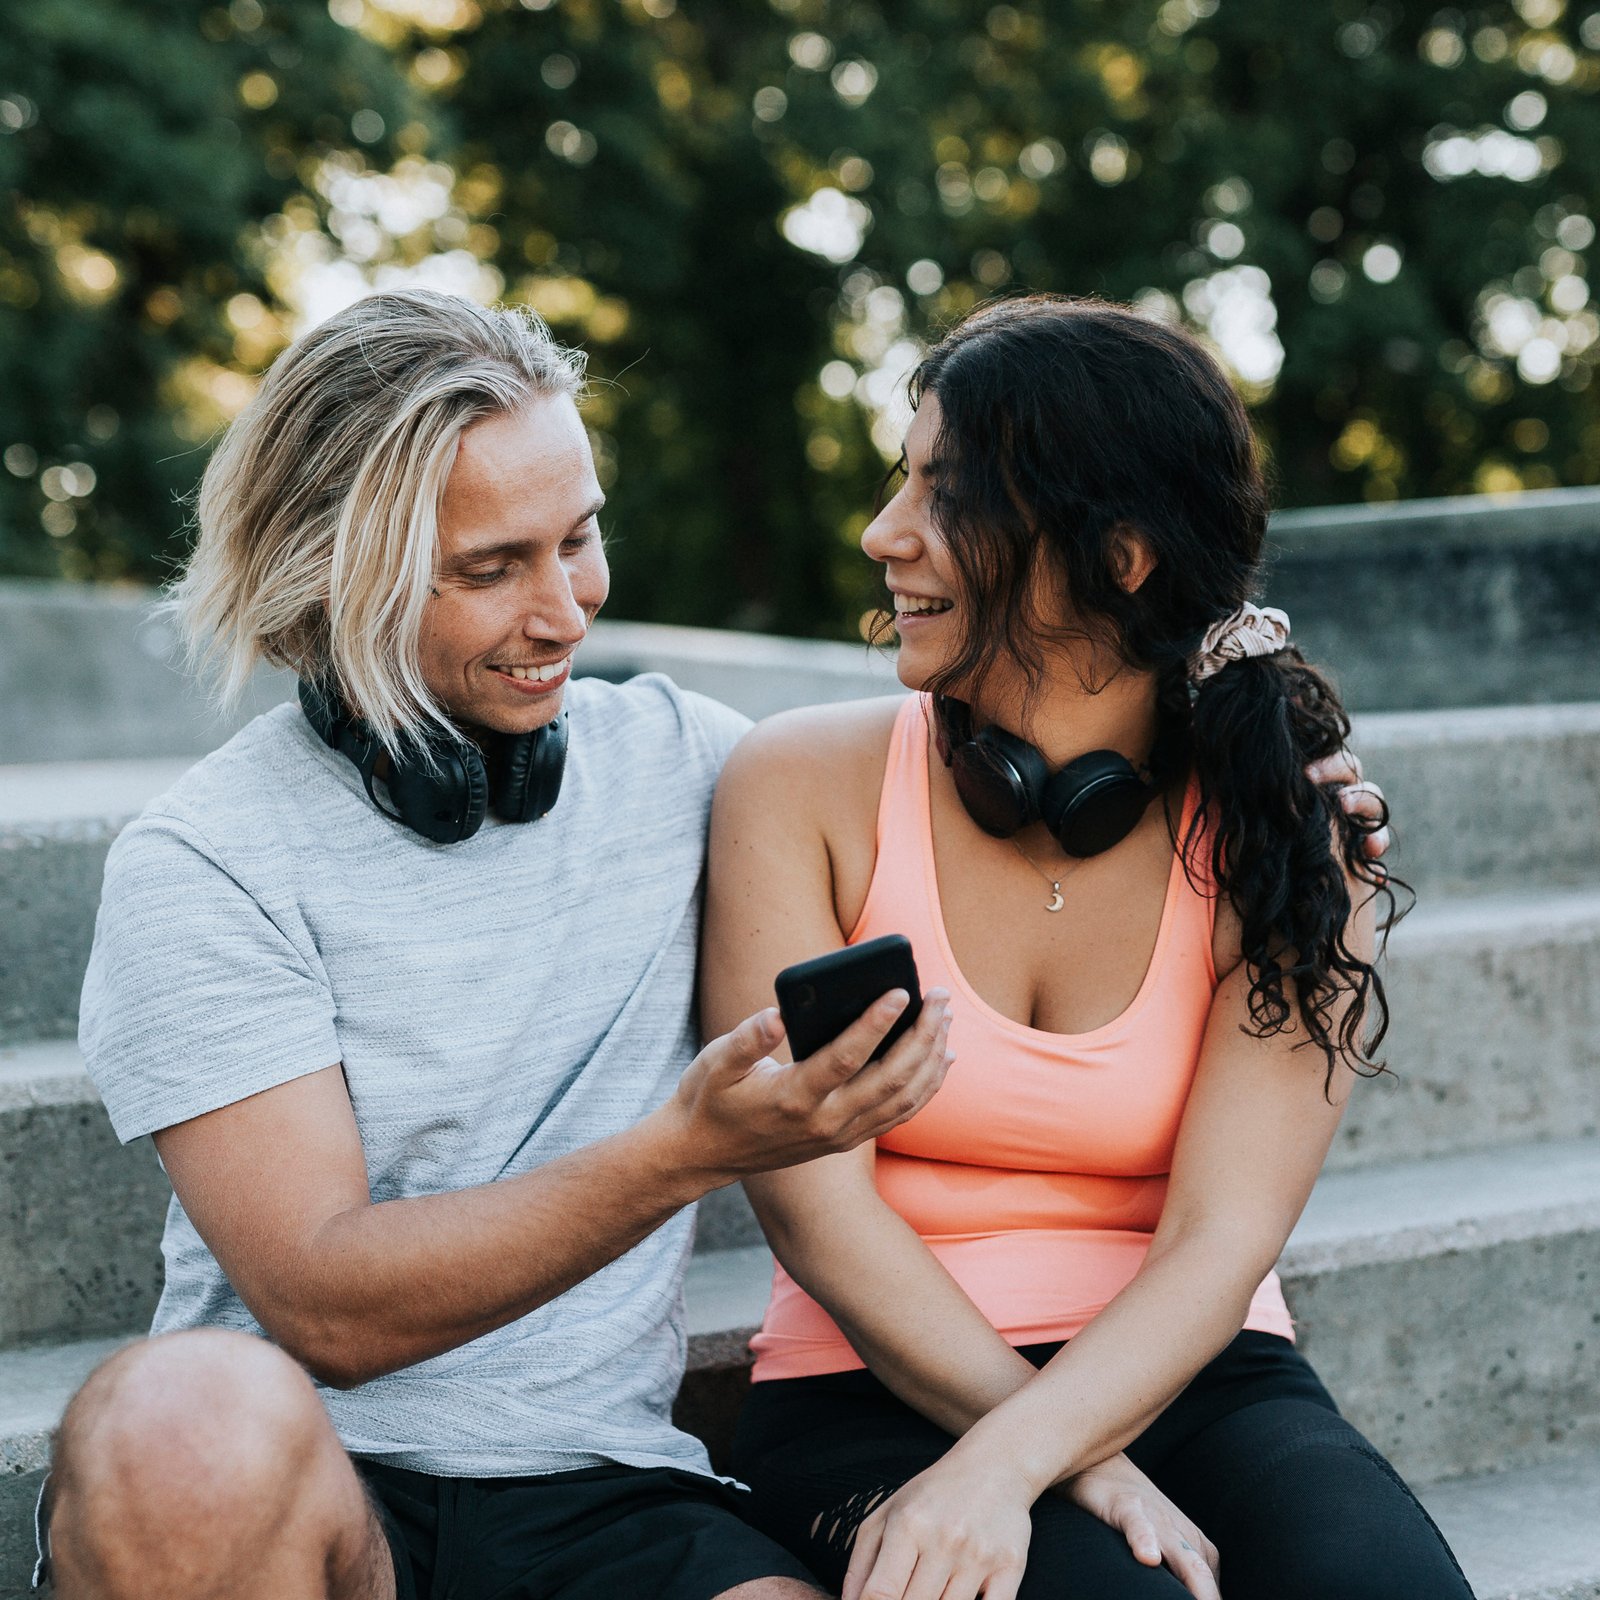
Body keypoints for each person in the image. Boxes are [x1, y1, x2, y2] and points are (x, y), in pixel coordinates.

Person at [39, 289, 961, 1600]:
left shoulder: (691, 761)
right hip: (316, 1483)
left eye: (577, 540)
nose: (565, 611)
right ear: (332, 573)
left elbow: (1022, 758)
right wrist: (690, 1151)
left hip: (606, 1500)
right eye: (491, 570)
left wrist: (1268, 761)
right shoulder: (204, 862)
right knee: (175, 1421)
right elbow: (327, 1304)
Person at [702, 296, 1473, 1599]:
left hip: (1193, 1372)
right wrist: (1061, 1465)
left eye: (939, 494)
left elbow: (1225, 1239)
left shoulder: (1293, 829)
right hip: (868, 1392)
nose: (885, 535)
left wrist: (1028, 1459)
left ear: (1115, 557)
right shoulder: (798, 785)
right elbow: (812, 1208)